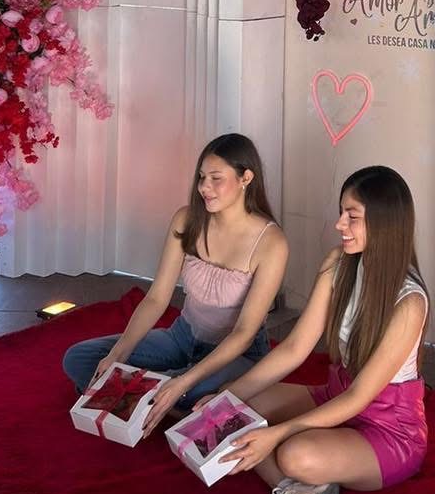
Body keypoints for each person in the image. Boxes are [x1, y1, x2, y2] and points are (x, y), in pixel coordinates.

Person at [215, 165, 429, 494]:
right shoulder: (338, 262)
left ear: (384, 223)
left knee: (293, 454)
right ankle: (298, 490)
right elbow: (295, 347)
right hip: (336, 394)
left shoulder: (409, 303)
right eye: (342, 212)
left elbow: (360, 397)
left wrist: (277, 435)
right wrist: (226, 397)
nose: (339, 224)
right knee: (236, 410)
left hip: (388, 430)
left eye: (352, 216)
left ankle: (293, 478)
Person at [62, 133, 288, 435]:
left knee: (187, 391)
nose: (204, 187)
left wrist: (183, 381)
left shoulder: (272, 242)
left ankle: (161, 398)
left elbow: (244, 334)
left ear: (246, 178)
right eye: (202, 177)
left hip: (237, 354)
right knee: (79, 358)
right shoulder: (186, 219)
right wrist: (117, 355)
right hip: (182, 337)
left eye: (216, 178)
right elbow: (157, 298)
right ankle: (169, 405)